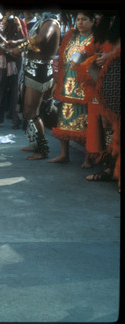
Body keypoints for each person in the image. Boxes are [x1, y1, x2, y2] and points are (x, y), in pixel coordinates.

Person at [6, 12, 61, 160]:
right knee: (27, 110)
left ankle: (42, 150)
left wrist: (19, 48)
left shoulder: (51, 21)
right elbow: (34, 38)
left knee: (32, 111)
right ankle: (34, 143)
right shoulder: (44, 21)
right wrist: (17, 43)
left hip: (39, 71)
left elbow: (41, 39)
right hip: (32, 69)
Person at [76, 13, 121, 191]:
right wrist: (82, 57)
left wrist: (111, 55)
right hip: (105, 80)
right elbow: (95, 46)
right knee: (108, 124)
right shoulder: (105, 19)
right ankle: (110, 169)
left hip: (116, 73)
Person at [49, 11, 96, 168]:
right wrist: (57, 83)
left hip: (85, 88)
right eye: (78, 19)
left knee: (88, 124)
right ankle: (64, 154)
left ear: (93, 21)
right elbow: (62, 62)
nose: (80, 22)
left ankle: (88, 159)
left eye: (84, 19)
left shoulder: (96, 39)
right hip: (67, 87)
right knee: (64, 121)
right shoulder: (71, 36)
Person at [0, 13, 26, 129]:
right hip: (3, 60)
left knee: (16, 90)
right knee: (1, 87)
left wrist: (15, 44)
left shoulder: (21, 22)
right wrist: (4, 46)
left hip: (16, 59)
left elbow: (26, 40)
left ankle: (16, 120)